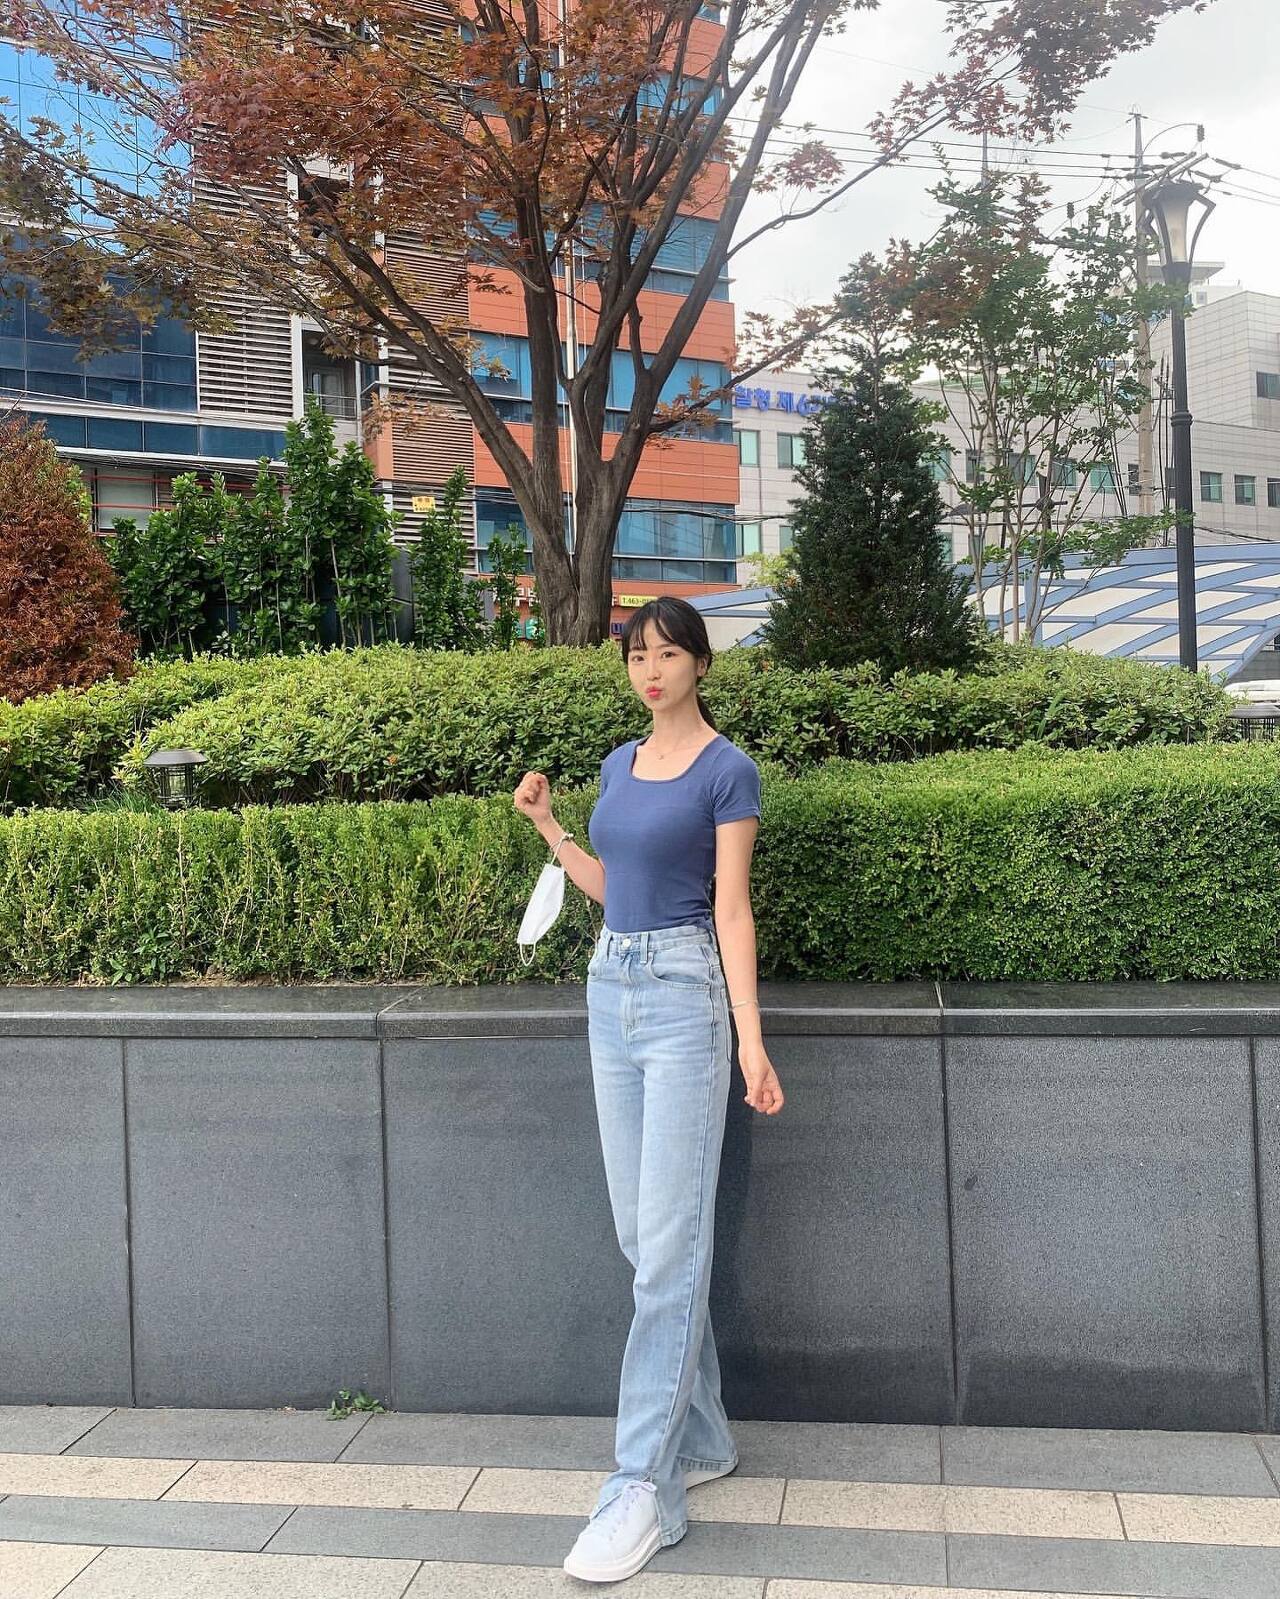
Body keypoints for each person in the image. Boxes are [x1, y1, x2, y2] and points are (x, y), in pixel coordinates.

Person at [512, 595, 784, 1584]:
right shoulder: (615, 767)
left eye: (667, 654)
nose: (651, 670)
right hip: (609, 987)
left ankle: (640, 1485)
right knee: (643, 1241)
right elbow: (610, 887)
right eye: (636, 656)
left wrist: (751, 1043)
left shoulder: (726, 770)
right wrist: (549, 825)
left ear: (700, 664)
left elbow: (730, 910)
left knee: (668, 1248)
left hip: (682, 997)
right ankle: (702, 1436)